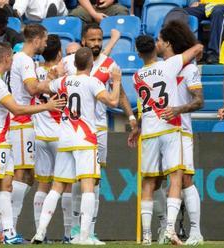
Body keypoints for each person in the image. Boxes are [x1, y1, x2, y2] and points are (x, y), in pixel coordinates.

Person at [0, 41, 65, 245]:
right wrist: (48, 106)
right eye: (12, 57)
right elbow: (17, 109)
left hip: (2, 139)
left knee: (6, 185)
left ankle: (8, 232)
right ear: (7, 58)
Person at [31, 47, 122, 245]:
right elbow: (113, 100)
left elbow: (40, 88)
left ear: (74, 64)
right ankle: (83, 236)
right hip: (86, 139)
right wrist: (117, 81)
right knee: (88, 187)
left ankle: (40, 231)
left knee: (56, 187)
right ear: (91, 63)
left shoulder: (63, 81)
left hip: (64, 137)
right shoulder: (93, 82)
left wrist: (52, 75)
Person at [62, 23, 137, 244]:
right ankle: (74, 230)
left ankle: (89, 230)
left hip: (99, 130)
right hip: (76, 129)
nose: (96, 43)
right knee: (75, 181)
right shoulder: (73, 63)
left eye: (99, 39)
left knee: (94, 182)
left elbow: (120, 93)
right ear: (83, 41)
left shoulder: (109, 64)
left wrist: (131, 117)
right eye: (92, 40)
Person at [130, 34, 203, 245]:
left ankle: (146, 236)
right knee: (176, 177)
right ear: (155, 47)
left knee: (149, 183)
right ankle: (171, 229)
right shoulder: (169, 65)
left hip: (150, 131)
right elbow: (197, 49)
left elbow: (143, 108)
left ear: (137, 53)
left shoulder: (136, 76)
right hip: (170, 127)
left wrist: (138, 128)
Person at [0, 24, 57, 240]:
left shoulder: (19, 58)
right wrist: (56, 84)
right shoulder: (26, 60)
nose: (46, 44)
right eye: (44, 39)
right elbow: (32, 88)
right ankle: (7, 231)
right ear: (36, 39)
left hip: (22, 122)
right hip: (20, 122)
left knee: (28, 176)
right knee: (20, 174)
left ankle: (2, 228)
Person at [154, 20, 205, 245]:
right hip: (160, 132)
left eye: (159, 40)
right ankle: (164, 227)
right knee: (154, 181)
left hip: (181, 130)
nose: (156, 43)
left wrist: (177, 109)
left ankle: (195, 231)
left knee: (185, 180)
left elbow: (199, 101)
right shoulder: (161, 69)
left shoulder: (189, 69)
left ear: (168, 43)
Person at [29, 34, 70, 243]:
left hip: (40, 135)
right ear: (60, 53)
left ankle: (40, 232)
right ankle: (68, 233)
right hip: (59, 135)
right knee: (66, 184)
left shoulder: (36, 72)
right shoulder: (64, 74)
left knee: (42, 185)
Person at [165, 0, 224, 64]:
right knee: (180, 12)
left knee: (218, 11)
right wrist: (193, 1)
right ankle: (187, 51)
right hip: (205, 6)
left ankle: (214, 53)